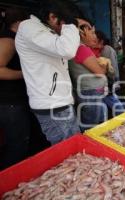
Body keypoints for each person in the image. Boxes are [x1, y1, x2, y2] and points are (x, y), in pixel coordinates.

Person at [15, 0, 81, 145]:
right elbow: (67, 50)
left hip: (60, 102)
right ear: (52, 17)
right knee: (67, 151)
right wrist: (71, 24)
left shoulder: (45, 31)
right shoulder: (29, 28)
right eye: (64, 23)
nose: (63, 29)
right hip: (51, 105)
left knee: (74, 145)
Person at [0, 8, 30, 169]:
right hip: (9, 103)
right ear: (20, 23)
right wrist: (26, 74)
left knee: (20, 142)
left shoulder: (16, 40)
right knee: (17, 145)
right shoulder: (8, 40)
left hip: (15, 102)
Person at [69, 19, 109, 131]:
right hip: (91, 94)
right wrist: (105, 64)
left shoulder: (77, 48)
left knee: (94, 123)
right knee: (91, 126)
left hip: (89, 93)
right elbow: (100, 72)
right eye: (92, 33)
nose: (95, 36)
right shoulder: (81, 49)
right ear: (82, 34)